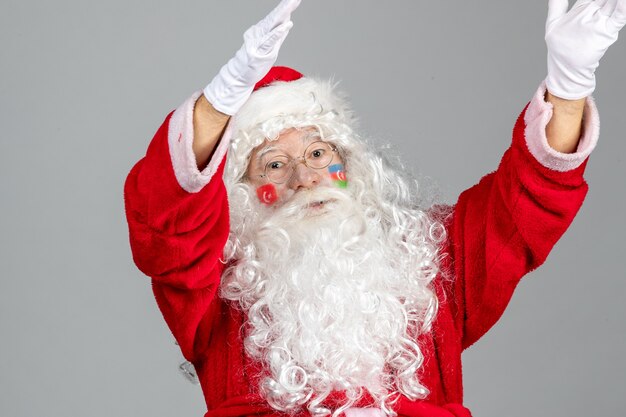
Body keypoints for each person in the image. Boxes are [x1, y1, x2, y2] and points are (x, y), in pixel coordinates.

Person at [123, 1, 625, 416]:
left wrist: (569, 85)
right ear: (243, 192)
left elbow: (527, 200)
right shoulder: (214, 286)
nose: (306, 178)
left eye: (319, 153)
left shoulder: (427, 263)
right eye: (273, 165)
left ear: (349, 164)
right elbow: (168, 219)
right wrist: (220, 102)